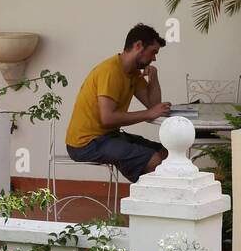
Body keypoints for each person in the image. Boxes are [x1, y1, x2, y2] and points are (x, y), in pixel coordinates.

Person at [65, 24, 172, 183]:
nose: (154, 58)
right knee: (153, 160)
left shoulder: (133, 73)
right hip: (86, 143)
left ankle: (146, 195)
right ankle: (144, 201)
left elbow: (153, 105)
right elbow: (107, 118)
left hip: (108, 136)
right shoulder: (111, 71)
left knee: (165, 153)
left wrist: (154, 77)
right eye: (153, 52)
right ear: (138, 46)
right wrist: (148, 115)